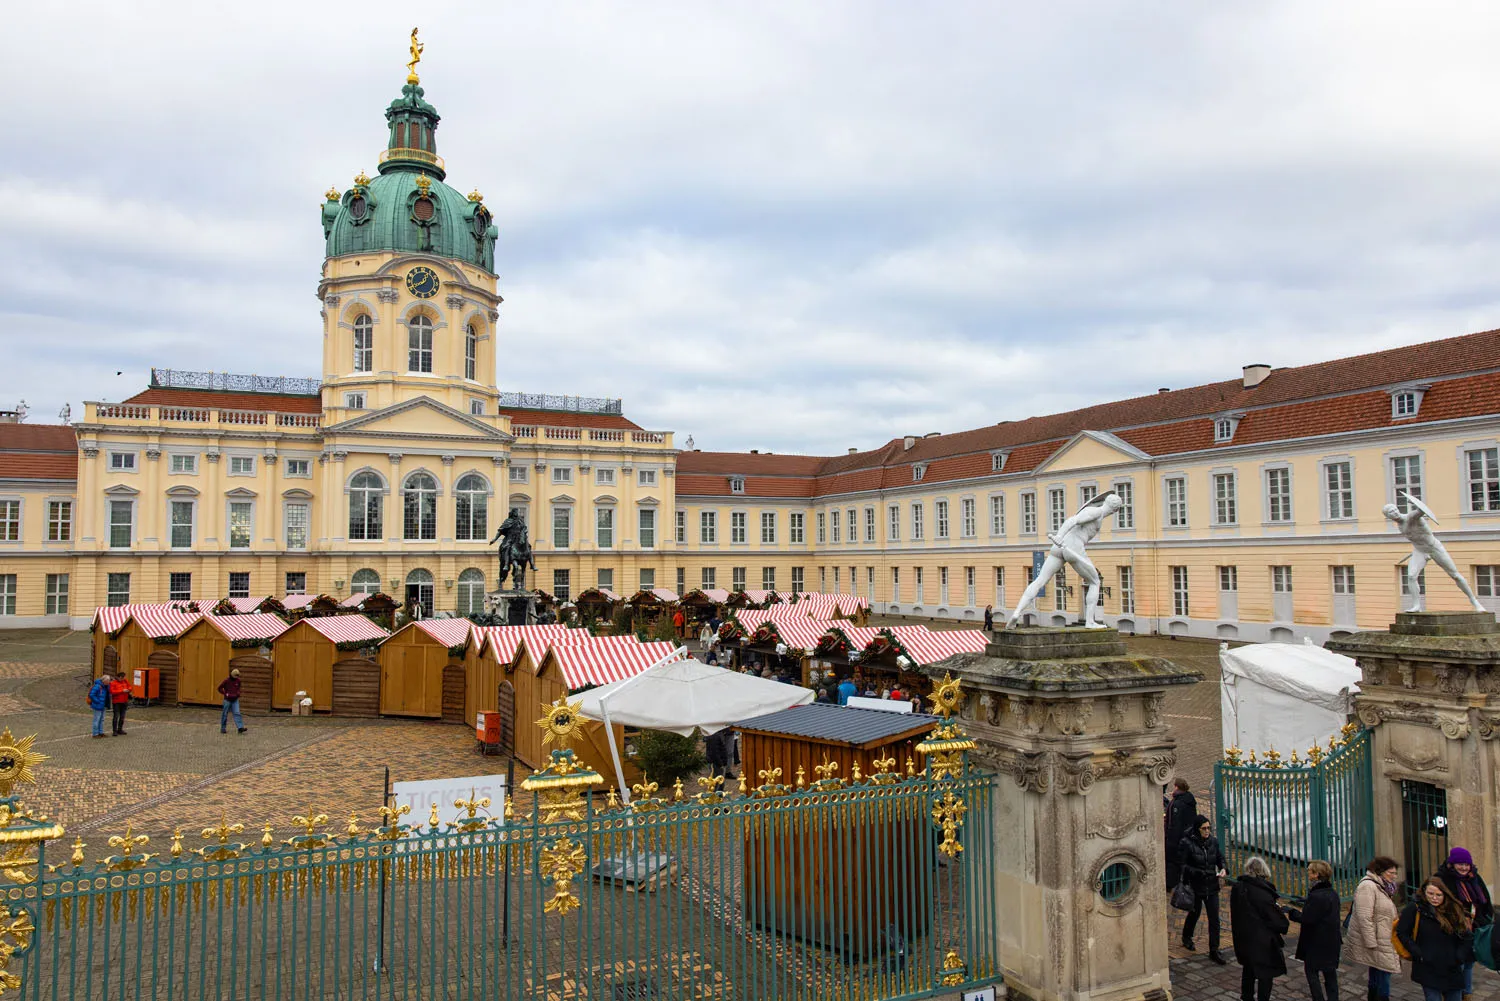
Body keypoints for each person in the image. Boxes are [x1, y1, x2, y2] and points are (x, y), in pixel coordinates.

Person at [1395, 877, 1475, 1001]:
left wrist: (1460, 956)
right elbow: (1401, 932)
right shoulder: (1415, 909)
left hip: (1451, 967)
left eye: (1438, 895)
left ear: (1444, 894)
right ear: (1424, 892)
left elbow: (1467, 936)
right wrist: (1417, 952)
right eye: (1430, 894)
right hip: (1428, 966)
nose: (1434, 898)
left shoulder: (1452, 909)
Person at [1229, 856, 1290, 1001]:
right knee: (1265, 975)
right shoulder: (1263, 893)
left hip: (1244, 937)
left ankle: (1247, 997)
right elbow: (1278, 922)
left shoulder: (1238, 888)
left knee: (1248, 970)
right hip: (1263, 941)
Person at [1435, 847, 1492, 999]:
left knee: (1469, 962)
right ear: (1452, 864)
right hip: (1452, 929)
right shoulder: (1442, 879)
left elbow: (1485, 901)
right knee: (1456, 962)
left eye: (1467, 864)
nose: (1464, 868)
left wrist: (1482, 920)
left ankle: (1466, 993)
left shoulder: (1474, 877)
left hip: (1473, 927)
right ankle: (1453, 993)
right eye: (1460, 864)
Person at [1346, 856, 1402, 1001]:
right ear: (1380, 871)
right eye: (1391, 873)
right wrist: (1371, 942)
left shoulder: (1382, 886)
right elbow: (1364, 916)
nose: (1394, 876)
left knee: (1378, 974)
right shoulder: (1368, 886)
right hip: (1377, 941)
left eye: (1395, 873)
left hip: (1384, 938)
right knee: (1383, 976)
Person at [1287, 859, 1342, 1001]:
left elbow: (1307, 918)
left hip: (1317, 942)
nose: (1308, 873)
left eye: (1310, 871)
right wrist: (1305, 901)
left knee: (1311, 971)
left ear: (1317, 874)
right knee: (1330, 973)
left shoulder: (1317, 896)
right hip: (1332, 940)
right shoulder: (1332, 893)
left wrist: (1291, 912)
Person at [1179, 814, 1228, 963]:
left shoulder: (1213, 842)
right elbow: (1182, 866)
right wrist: (1198, 872)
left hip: (1211, 885)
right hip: (1195, 886)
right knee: (1195, 913)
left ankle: (1214, 949)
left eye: (1209, 828)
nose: (1207, 831)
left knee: (1214, 918)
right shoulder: (1187, 843)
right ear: (1197, 829)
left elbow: (1220, 858)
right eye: (1204, 828)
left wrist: (1223, 868)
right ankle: (1187, 936)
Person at [1165, 777, 1198, 889]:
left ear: (1176, 787)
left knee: (1173, 862)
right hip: (1187, 834)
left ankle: (1171, 884)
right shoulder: (1189, 798)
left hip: (1176, 838)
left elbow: (1175, 824)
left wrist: (1171, 840)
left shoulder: (1178, 803)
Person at [218, 668, 247, 734]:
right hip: (227, 700)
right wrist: (225, 693)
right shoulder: (226, 681)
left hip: (235, 700)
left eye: (238, 676)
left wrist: (238, 693)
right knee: (225, 714)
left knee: (237, 713)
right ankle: (223, 728)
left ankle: (240, 728)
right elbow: (219, 688)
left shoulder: (238, 681)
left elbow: (238, 688)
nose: (237, 677)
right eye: (236, 676)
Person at [87, 672, 110, 738]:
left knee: (102, 720)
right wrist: (97, 701)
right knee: (97, 720)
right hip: (98, 705)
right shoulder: (97, 686)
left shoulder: (106, 686)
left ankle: (100, 732)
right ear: (104, 681)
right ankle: (95, 733)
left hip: (103, 705)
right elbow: (92, 695)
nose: (109, 682)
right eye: (108, 681)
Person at [108, 670, 131, 735]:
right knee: (116, 716)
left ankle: (120, 729)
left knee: (122, 716)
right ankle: (114, 731)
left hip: (124, 701)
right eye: (122, 677)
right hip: (116, 702)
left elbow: (130, 687)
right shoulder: (113, 683)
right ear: (118, 677)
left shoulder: (125, 681)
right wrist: (122, 691)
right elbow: (112, 692)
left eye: (123, 677)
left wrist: (128, 689)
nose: (123, 679)